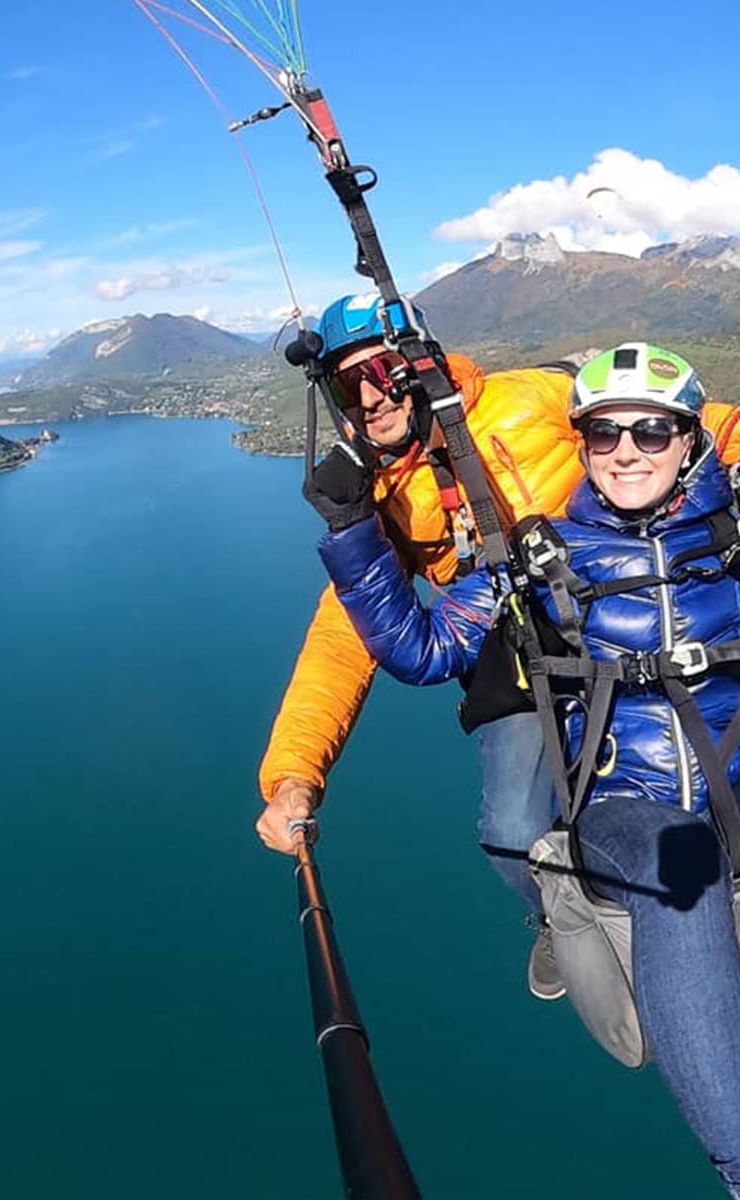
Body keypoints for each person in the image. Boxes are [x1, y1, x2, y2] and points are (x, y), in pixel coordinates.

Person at [307, 343, 740, 1195]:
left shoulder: (733, 539)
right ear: (577, 443)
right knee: (676, 862)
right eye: (603, 434)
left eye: (652, 432)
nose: (625, 452)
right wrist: (354, 531)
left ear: (692, 441)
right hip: (630, 808)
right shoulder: (543, 560)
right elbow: (424, 649)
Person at [257, 293, 740, 998]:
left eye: (383, 370)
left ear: (419, 363)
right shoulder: (381, 494)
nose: (368, 397)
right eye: (344, 383)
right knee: (515, 828)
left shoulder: (526, 400)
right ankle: (564, 918)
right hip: (508, 644)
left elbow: (695, 425)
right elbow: (345, 637)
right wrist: (294, 774)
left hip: (613, 589)